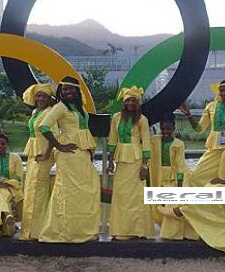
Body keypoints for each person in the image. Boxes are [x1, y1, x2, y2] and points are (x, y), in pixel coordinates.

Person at [158, 127, 225, 253]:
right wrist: (219, 182)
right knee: (206, 191)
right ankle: (182, 210)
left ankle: (180, 211)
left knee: (212, 193)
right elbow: (221, 176)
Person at [37, 76, 100, 243]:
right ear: (60, 91)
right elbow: (43, 126)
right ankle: (64, 232)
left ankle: (82, 231)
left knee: (86, 190)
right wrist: (59, 146)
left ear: (77, 90)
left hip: (82, 153)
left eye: (71, 88)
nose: (68, 92)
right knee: (69, 192)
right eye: (65, 89)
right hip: (69, 154)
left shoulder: (79, 108)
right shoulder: (60, 107)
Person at [179, 80, 225, 187]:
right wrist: (188, 115)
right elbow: (199, 129)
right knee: (196, 177)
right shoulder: (211, 106)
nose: (224, 93)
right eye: (222, 90)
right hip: (214, 149)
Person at [108, 86, 152, 240]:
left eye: (133, 100)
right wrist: (110, 161)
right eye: (128, 100)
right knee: (121, 195)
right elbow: (112, 140)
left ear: (137, 102)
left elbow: (146, 143)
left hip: (136, 160)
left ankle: (137, 230)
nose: (130, 103)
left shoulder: (142, 119)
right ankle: (121, 229)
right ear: (124, 102)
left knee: (136, 195)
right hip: (121, 159)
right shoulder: (116, 117)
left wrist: (145, 166)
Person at [148, 114, 197, 241]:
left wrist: (179, 182)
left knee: (173, 202)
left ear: (174, 128)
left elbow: (180, 163)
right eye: (163, 129)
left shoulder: (178, 144)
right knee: (156, 203)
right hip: (158, 174)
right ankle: (163, 226)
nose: (165, 132)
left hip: (174, 176)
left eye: (168, 129)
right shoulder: (154, 140)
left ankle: (174, 233)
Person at [20, 83, 56, 241]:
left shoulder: (51, 113)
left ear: (50, 99)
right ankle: (28, 230)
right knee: (30, 189)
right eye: (39, 96)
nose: (41, 99)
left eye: (44, 96)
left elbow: (53, 135)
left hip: (43, 154)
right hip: (32, 153)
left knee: (38, 191)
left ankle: (38, 231)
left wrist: (47, 154)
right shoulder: (35, 112)